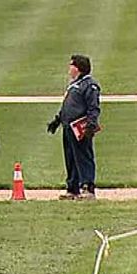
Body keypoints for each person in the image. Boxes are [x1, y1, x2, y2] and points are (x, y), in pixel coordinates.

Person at [47, 55, 101, 200]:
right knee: (70, 157)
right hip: (68, 127)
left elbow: (93, 107)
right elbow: (67, 106)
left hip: (80, 128)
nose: (69, 68)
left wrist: (91, 125)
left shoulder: (89, 85)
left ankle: (88, 187)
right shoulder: (73, 85)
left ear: (78, 68)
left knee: (83, 156)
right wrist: (57, 120)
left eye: (71, 65)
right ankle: (73, 188)